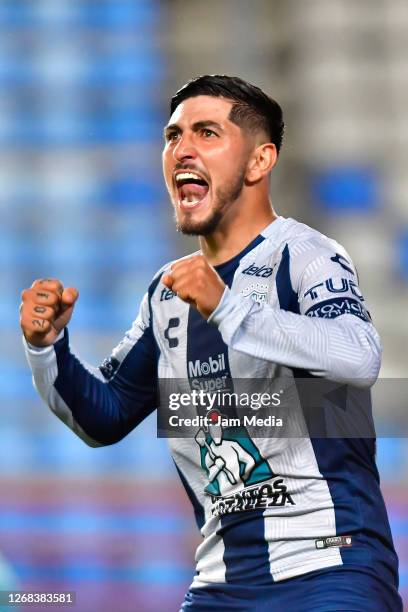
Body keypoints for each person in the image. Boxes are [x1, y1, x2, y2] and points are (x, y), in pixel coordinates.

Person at [20, 75, 402, 611]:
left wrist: (227, 308)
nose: (182, 150)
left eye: (206, 133)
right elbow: (104, 418)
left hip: (330, 567)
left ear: (258, 162)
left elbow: (360, 356)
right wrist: (47, 347)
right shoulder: (167, 294)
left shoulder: (307, 256)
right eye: (173, 136)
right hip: (220, 585)